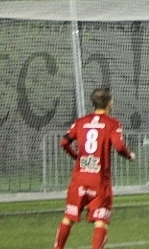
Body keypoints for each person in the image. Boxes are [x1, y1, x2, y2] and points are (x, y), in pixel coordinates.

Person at [52, 88, 135, 249]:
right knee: (100, 221)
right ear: (108, 103)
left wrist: (77, 156)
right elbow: (119, 146)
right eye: (112, 100)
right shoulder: (112, 124)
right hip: (99, 180)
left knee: (68, 218)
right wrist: (129, 155)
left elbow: (64, 142)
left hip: (80, 177)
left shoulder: (81, 121)